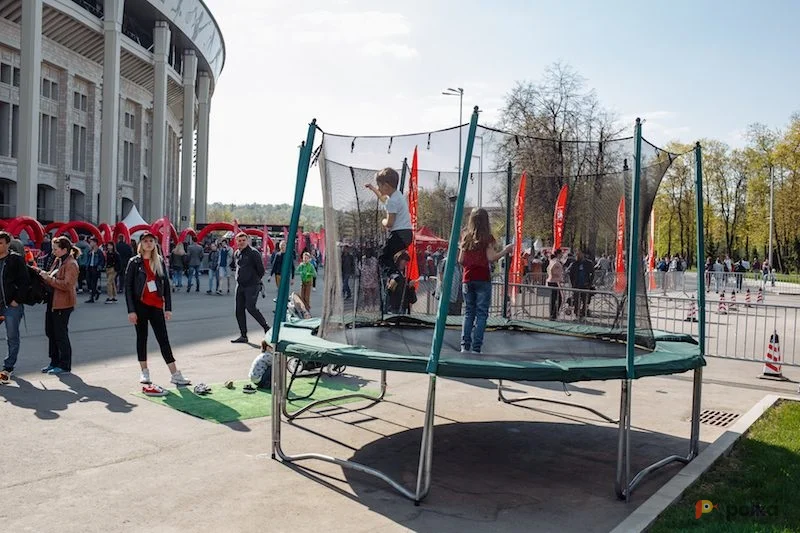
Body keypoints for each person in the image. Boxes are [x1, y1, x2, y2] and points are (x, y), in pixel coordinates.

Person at [125, 231, 190, 387]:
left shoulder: (159, 261)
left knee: (163, 340)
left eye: (151, 241)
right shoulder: (134, 262)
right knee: (142, 338)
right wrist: (131, 310)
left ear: (155, 244)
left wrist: (168, 307)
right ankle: (144, 371)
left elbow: (166, 285)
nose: (149, 243)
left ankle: (175, 374)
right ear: (141, 244)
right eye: (146, 241)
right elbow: (128, 288)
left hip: (156, 306)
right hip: (140, 306)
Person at [457, 208, 513, 354]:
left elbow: (461, 260)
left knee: (469, 312)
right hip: (482, 278)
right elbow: (491, 258)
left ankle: (465, 346)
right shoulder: (487, 238)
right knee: (481, 313)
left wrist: (471, 262)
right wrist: (505, 251)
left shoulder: (466, 237)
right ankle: (476, 348)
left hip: (468, 279)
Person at [33, 236, 79, 375]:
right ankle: (54, 362)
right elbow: (53, 278)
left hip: (63, 303)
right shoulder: (59, 260)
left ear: (64, 249)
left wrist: (49, 278)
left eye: (55, 249)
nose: (53, 252)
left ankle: (64, 365)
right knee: (50, 332)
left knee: (60, 334)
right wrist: (42, 274)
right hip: (53, 301)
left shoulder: (71, 263)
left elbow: (66, 285)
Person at [365, 168, 413, 277]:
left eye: (379, 186)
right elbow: (382, 198)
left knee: (383, 257)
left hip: (398, 234)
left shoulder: (392, 201)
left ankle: (395, 277)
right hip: (407, 234)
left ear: (386, 186)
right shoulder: (398, 195)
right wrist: (373, 189)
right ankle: (397, 273)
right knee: (393, 258)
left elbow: (390, 223)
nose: (378, 188)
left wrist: (383, 221)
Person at [0, 231, 31, 384]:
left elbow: (25, 282)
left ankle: (8, 367)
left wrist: (17, 300)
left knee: (12, 336)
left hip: (11, 305)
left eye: (0, 243)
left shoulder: (15, 260)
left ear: (7, 244)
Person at [231, 232, 270, 344]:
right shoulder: (237, 253)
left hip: (252, 285)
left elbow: (261, 270)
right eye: (239, 240)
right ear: (236, 241)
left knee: (251, 308)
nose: (241, 242)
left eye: (244, 240)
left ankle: (266, 327)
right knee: (239, 310)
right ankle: (243, 335)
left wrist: (255, 280)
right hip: (240, 286)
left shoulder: (254, 253)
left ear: (247, 240)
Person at [567, 249, 594, 319]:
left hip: (585, 285)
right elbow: (571, 274)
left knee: (585, 301)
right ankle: (577, 314)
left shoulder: (589, 263)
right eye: (577, 254)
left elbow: (592, 274)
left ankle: (583, 314)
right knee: (576, 301)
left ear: (583, 254)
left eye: (579, 254)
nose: (578, 255)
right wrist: (573, 284)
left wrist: (590, 283)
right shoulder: (574, 264)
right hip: (577, 285)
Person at [84, 237, 105, 303]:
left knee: (93, 283)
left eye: (91, 242)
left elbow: (102, 260)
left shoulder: (99, 251)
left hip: (95, 268)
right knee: (88, 282)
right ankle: (96, 292)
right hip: (89, 267)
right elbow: (87, 258)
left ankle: (92, 297)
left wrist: (100, 267)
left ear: (95, 243)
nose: (90, 243)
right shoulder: (90, 251)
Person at [546, 248, 565, 320]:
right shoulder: (556, 262)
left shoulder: (553, 261)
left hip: (553, 281)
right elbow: (551, 270)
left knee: (555, 299)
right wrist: (555, 275)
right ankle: (553, 315)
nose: (562, 255)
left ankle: (553, 314)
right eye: (561, 253)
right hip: (554, 281)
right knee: (557, 299)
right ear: (559, 254)